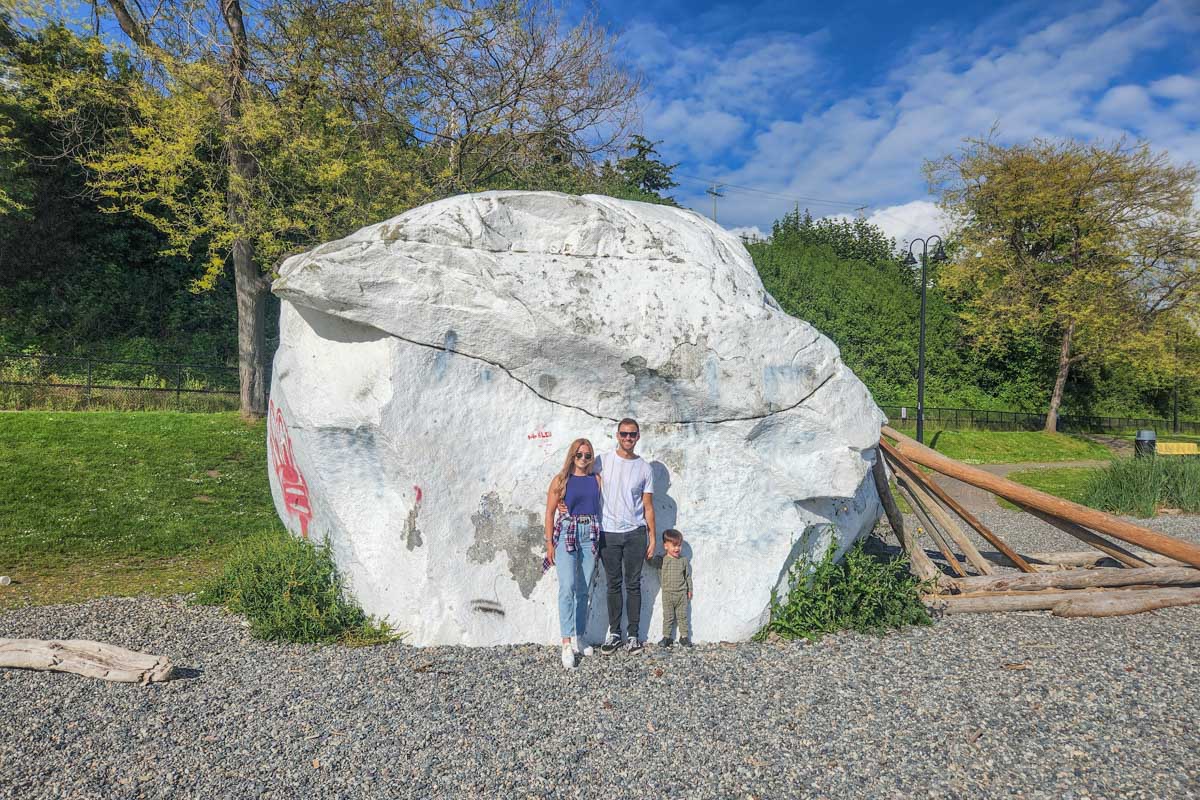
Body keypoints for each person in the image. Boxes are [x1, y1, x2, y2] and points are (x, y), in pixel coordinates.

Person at [595, 418, 656, 654]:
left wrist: (652, 537)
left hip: (635, 533)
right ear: (617, 435)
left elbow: (648, 506)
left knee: (633, 585)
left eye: (632, 434)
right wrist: (561, 502)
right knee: (613, 584)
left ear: (638, 436)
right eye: (624, 434)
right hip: (607, 533)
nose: (628, 438)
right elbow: (579, 477)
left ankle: (633, 635)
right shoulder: (603, 461)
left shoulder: (645, 468)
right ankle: (614, 634)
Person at [543, 438, 602, 670]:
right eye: (579, 455)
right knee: (567, 587)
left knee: (583, 588)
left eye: (588, 455)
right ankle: (566, 642)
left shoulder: (596, 480)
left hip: (590, 534)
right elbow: (549, 513)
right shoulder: (560, 480)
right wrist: (549, 543)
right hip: (567, 531)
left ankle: (579, 635)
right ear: (572, 456)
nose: (584, 459)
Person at [646, 528, 693, 647]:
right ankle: (666, 637)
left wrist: (689, 590)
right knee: (668, 616)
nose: (677, 548)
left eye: (679, 545)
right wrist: (647, 554)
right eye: (674, 545)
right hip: (667, 594)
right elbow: (651, 563)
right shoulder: (662, 560)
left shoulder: (683, 561)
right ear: (666, 546)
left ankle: (684, 637)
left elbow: (688, 576)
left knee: (682, 616)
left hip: (681, 594)